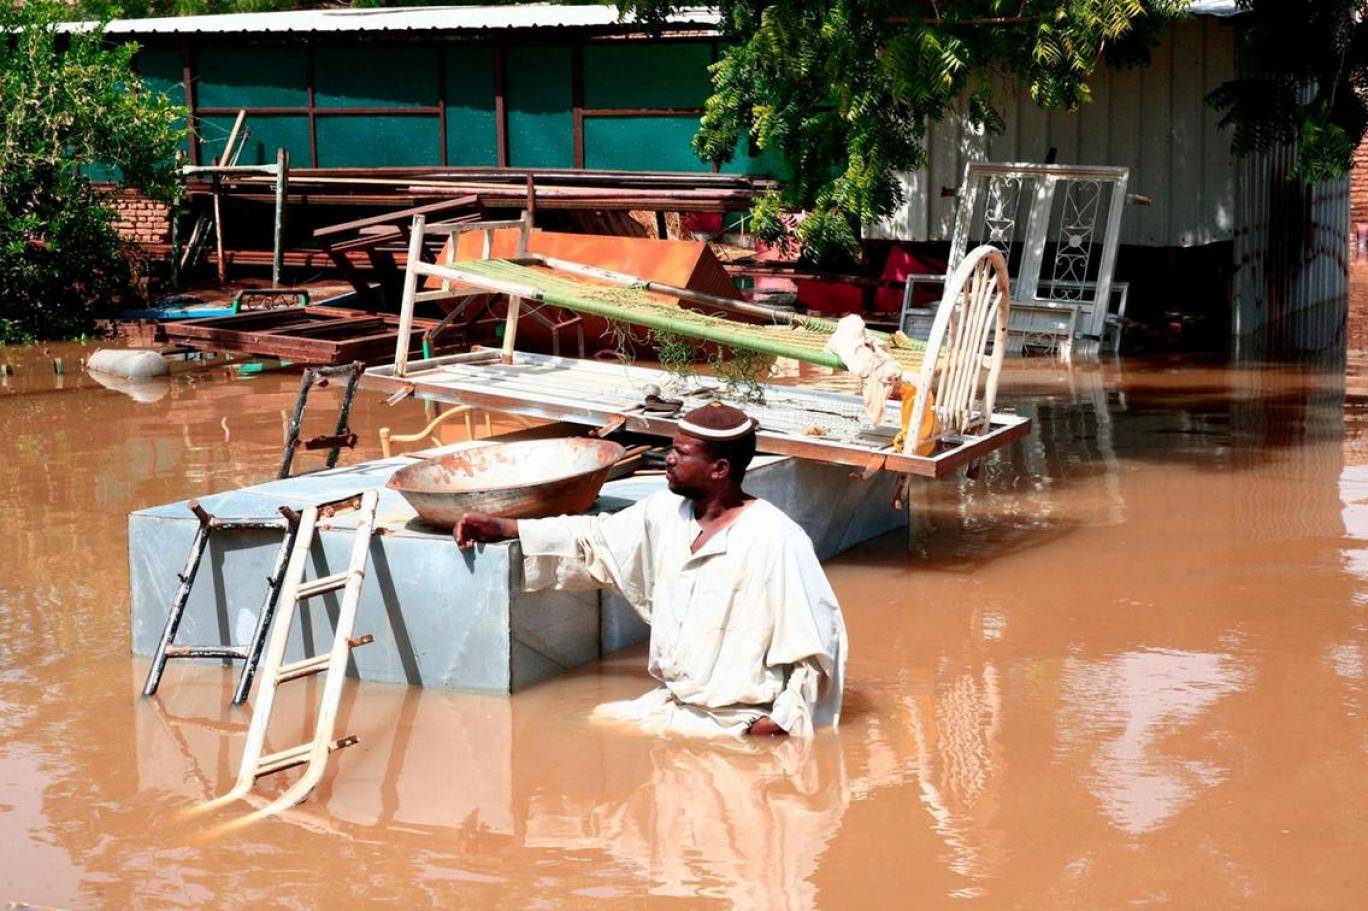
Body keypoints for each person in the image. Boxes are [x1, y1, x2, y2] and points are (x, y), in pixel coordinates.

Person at [454, 401, 847, 739]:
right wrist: (508, 528)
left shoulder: (776, 537)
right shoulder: (664, 513)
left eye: (682, 452)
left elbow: (818, 647)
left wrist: (781, 723)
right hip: (671, 707)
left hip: (741, 724)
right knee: (578, 725)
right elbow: (594, 540)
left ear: (719, 469)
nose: (668, 459)